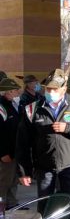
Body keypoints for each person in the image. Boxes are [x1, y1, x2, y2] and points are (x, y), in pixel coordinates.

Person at [15, 69, 70, 219]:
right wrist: (24, 172)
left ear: (64, 88)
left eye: (54, 89)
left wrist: (68, 128)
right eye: (48, 88)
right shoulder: (33, 109)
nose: (50, 92)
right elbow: (22, 143)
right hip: (44, 167)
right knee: (45, 206)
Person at [0, 78, 24, 208]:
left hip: (14, 150)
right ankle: (2, 207)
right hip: (5, 153)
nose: (18, 93)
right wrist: (2, 152)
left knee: (13, 180)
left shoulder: (13, 106)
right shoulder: (1, 107)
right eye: (15, 91)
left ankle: (12, 204)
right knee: (3, 182)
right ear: (7, 92)